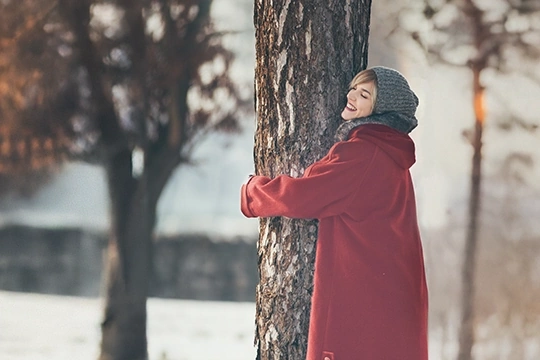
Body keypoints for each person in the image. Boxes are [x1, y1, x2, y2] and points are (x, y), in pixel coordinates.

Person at [240, 66, 428, 360]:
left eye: (364, 94)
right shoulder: (390, 155)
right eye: (354, 88)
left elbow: (303, 197)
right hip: (390, 295)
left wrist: (252, 193)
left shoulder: (364, 153)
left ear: (380, 110)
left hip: (362, 298)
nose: (351, 96)